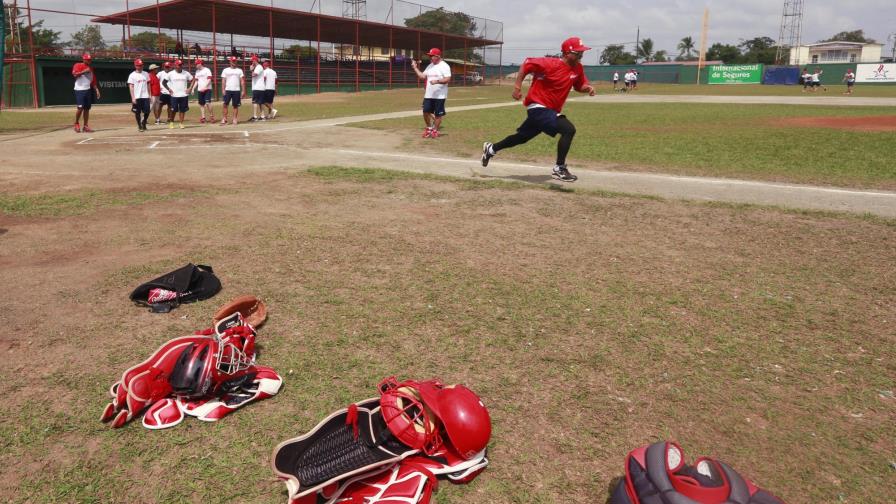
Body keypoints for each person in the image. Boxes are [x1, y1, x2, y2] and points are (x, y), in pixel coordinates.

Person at [480, 37, 595, 182]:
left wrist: (588, 88)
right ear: (566, 53)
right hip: (538, 107)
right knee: (568, 129)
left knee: (521, 138)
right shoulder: (549, 63)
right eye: (577, 53)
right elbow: (527, 64)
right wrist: (517, 87)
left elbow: (579, 86)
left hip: (549, 111)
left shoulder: (578, 68)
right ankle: (559, 168)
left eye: (581, 52)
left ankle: (491, 149)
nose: (581, 55)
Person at [411, 47, 451, 138]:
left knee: (438, 114)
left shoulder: (444, 66)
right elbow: (422, 76)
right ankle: (429, 128)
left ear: (437, 56)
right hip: (429, 95)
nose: (430, 58)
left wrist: (437, 81)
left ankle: (435, 130)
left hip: (440, 95)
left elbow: (448, 79)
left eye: (432, 56)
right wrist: (415, 68)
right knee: (425, 111)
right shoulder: (430, 66)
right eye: (430, 56)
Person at [71, 53, 101, 133]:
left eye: (90, 60)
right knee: (80, 108)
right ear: (83, 59)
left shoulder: (90, 68)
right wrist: (84, 71)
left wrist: (96, 90)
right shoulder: (77, 65)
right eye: (87, 59)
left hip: (87, 89)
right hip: (79, 90)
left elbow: (93, 80)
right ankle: (76, 123)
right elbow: (74, 75)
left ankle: (85, 126)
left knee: (87, 109)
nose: (89, 61)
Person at [162, 59, 192, 129]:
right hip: (174, 95)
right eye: (179, 65)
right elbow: (164, 82)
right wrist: (168, 89)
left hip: (184, 95)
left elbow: (192, 79)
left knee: (182, 110)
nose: (180, 66)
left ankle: (181, 123)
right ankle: (171, 122)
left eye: (181, 65)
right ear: (175, 66)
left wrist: (190, 88)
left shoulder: (186, 73)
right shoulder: (170, 74)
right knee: (173, 110)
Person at [127, 58, 151, 132]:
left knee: (147, 111)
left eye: (141, 65)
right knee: (137, 112)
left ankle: (144, 123)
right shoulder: (132, 75)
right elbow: (131, 87)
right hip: (137, 96)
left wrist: (149, 94)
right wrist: (133, 98)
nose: (140, 67)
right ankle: (139, 125)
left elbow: (148, 84)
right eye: (138, 65)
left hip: (145, 96)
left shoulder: (146, 74)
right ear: (135, 66)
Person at [220, 56, 246, 125]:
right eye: (233, 61)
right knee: (225, 104)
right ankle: (224, 118)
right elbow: (223, 81)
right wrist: (223, 89)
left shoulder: (239, 70)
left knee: (235, 105)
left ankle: (235, 119)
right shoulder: (225, 70)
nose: (234, 62)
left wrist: (243, 90)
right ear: (230, 61)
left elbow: (242, 81)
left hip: (236, 90)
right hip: (227, 90)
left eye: (235, 61)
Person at [191, 59, 215, 124]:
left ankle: (211, 116)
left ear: (200, 64)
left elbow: (209, 79)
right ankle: (203, 117)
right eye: (195, 64)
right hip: (200, 90)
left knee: (208, 103)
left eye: (196, 64)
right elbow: (196, 81)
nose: (195, 65)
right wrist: (193, 88)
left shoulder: (207, 70)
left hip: (207, 89)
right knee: (201, 104)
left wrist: (205, 87)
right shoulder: (197, 72)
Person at [249, 55, 266, 121]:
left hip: (258, 87)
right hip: (258, 87)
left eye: (252, 61)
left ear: (255, 60)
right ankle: (262, 116)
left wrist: (251, 70)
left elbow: (254, 74)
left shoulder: (258, 67)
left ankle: (256, 116)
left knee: (256, 102)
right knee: (259, 102)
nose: (252, 62)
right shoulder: (258, 67)